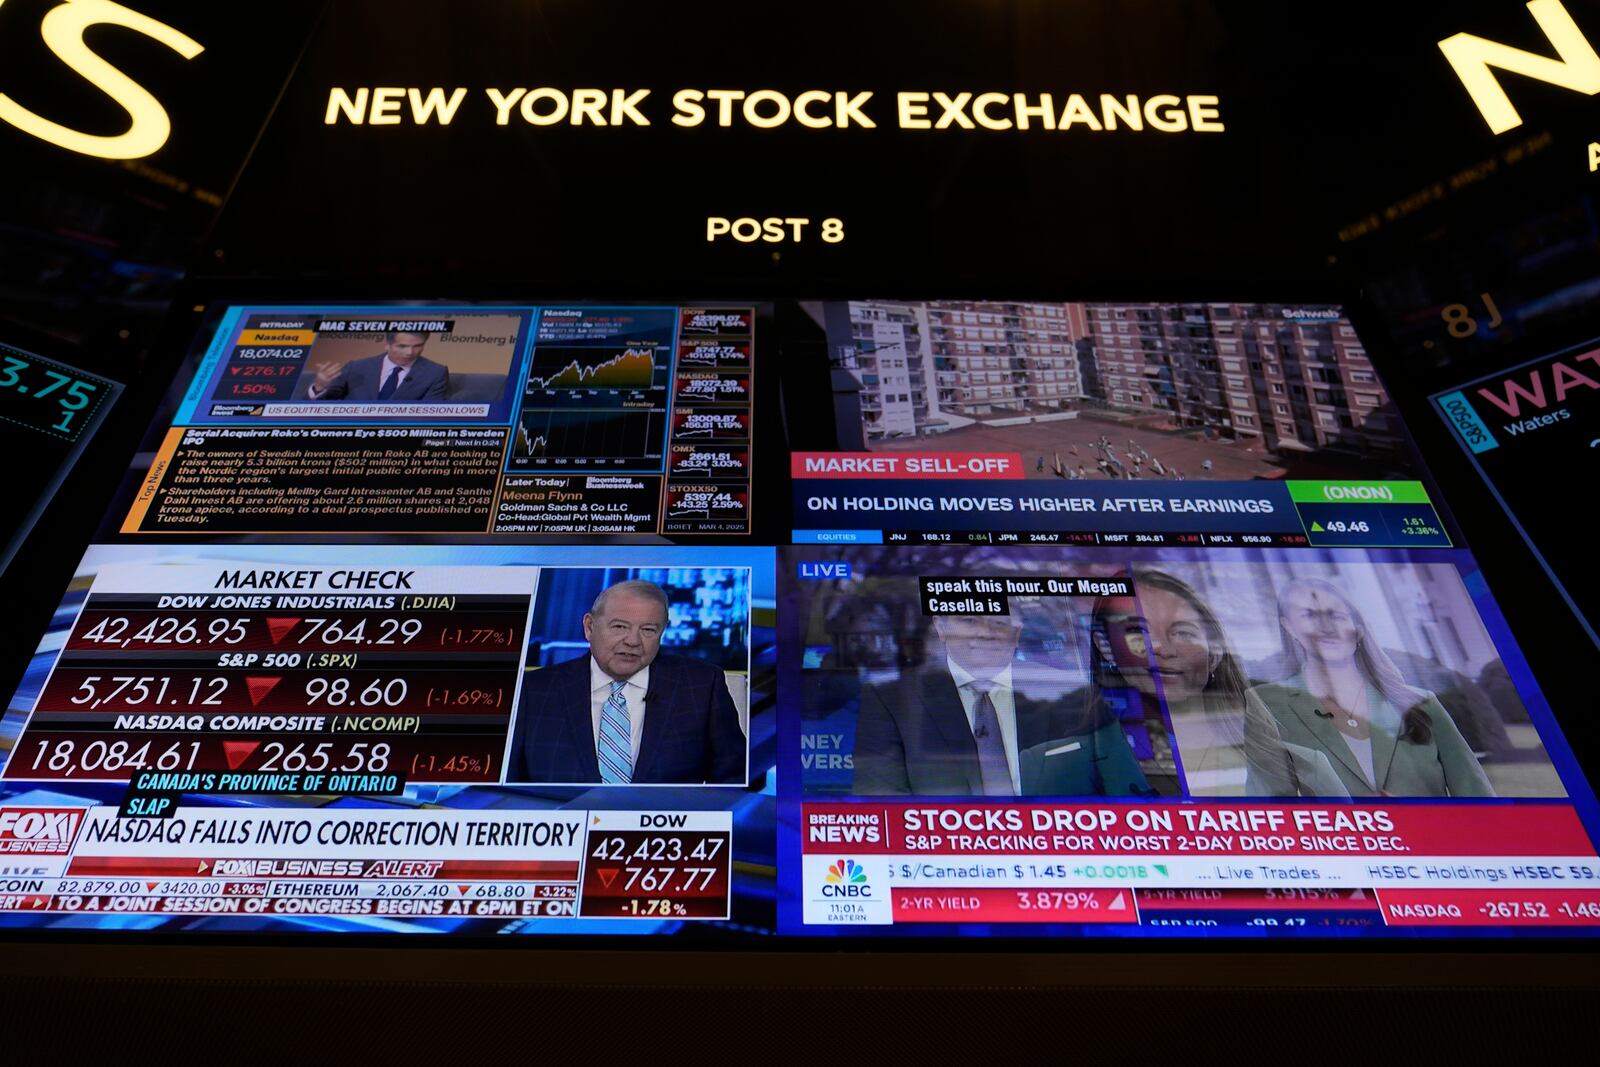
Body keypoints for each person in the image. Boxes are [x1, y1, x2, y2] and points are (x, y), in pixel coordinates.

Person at [852, 611, 1148, 796]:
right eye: (968, 620)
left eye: (998, 621)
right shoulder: (890, 700)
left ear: (1017, 631)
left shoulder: (1073, 693)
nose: (985, 632)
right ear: (940, 626)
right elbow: (882, 806)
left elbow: (1129, 795)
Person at [1248, 578, 1494, 797]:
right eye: (1310, 615)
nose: (1327, 627)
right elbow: (1270, 811)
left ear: (1358, 630)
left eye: (1337, 616)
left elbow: (1478, 798)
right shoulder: (1269, 704)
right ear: (1289, 627)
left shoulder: (1421, 703)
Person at [1122, 571, 1347, 797]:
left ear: (1214, 652)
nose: (1160, 648)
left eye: (1182, 633)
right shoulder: (1098, 755)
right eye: (1139, 633)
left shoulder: (1304, 765)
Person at [508, 579, 746, 785]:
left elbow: (736, 777)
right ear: (590, 627)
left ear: (662, 633)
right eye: (620, 626)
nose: (633, 641)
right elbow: (506, 784)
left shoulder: (702, 685)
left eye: (648, 630)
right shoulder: (532, 690)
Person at [300, 330, 450, 401]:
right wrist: (319, 387)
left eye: (418, 346)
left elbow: (430, 413)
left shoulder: (435, 373)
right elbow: (319, 407)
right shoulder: (356, 367)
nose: (410, 352)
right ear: (387, 345)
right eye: (402, 346)